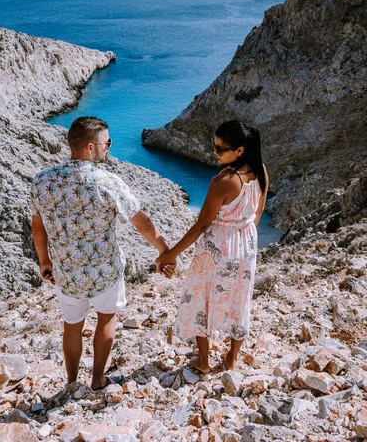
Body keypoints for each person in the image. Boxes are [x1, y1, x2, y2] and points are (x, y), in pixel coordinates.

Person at [31, 116, 173, 390]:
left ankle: (72, 382)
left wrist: (44, 261)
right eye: (106, 142)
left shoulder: (42, 181)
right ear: (89, 148)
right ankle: (97, 379)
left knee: (71, 326)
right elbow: (141, 223)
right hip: (104, 270)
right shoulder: (109, 182)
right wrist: (164, 250)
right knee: (106, 319)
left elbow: (38, 229)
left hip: (67, 272)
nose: (109, 146)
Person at [156, 120, 268, 373]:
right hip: (246, 244)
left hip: (217, 245)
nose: (215, 153)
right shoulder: (260, 170)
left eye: (221, 148)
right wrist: (242, 233)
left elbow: (201, 225)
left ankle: (204, 361)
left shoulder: (224, 180)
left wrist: (169, 254)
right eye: (214, 146)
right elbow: (258, 212)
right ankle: (232, 358)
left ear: (240, 150)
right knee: (240, 299)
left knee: (201, 298)